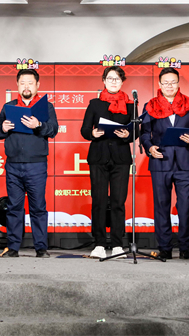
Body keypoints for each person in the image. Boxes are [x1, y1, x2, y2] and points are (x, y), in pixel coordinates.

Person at [0, 68, 59, 258]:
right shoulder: (9, 107)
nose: (26, 86)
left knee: (38, 207)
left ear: (37, 85)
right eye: (22, 83)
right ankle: (13, 247)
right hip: (13, 164)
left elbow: (53, 130)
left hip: (36, 165)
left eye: (30, 83)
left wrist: (38, 125)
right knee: (14, 207)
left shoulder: (46, 107)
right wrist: (3, 128)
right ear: (17, 85)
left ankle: (41, 248)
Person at [140, 68, 189, 260]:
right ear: (159, 84)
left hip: (185, 162)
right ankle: (164, 248)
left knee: (185, 206)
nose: (169, 86)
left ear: (178, 84)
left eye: (173, 82)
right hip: (160, 160)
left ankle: (185, 248)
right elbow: (144, 132)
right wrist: (150, 147)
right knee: (161, 205)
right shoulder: (150, 105)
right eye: (166, 82)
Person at [80, 66, 138, 259]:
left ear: (122, 82)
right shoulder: (95, 104)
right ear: (104, 81)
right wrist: (93, 133)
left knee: (118, 202)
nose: (114, 82)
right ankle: (99, 243)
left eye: (117, 79)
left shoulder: (131, 105)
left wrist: (128, 134)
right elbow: (84, 129)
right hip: (99, 157)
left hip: (121, 158)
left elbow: (137, 131)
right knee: (99, 201)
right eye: (110, 78)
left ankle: (117, 244)